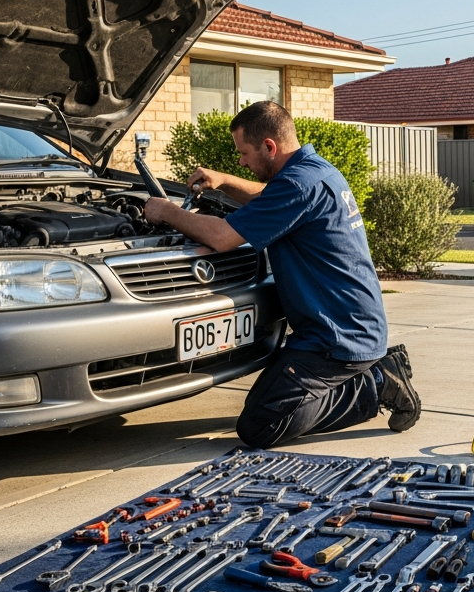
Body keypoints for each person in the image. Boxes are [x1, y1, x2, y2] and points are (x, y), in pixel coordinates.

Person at [143, 101, 419, 448]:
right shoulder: (313, 172)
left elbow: (222, 237)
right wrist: (224, 181)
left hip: (336, 339)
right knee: (266, 403)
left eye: (243, 153)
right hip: (349, 325)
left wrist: (166, 211)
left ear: (269, 147)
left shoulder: (298, 185)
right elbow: (269, 197)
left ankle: (378, 382)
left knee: (260, 425)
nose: (241, 161)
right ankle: (371, 375)